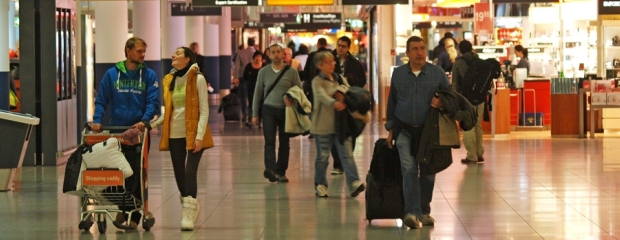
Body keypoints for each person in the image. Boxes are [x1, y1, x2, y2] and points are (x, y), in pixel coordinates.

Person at [91, 37, 160, 229]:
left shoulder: (149, 75)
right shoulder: (112, 75)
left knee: (138, 172)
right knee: (118, 173)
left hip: (139, 133)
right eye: (139, 51)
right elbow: (102, 100)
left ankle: (134, 214)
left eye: (144, 51)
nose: (142, 55)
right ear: (128, 51)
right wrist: (97, 121)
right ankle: (123, 209)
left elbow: (152, 102)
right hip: (117, 132)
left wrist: (144, 120)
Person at [386, 36, 450, 229]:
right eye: (415, 49)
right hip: (404, 129)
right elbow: (392, 103)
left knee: (428, 173)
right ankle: (412, 213)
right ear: (407, 53)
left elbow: (450, 98)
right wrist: (390, 129)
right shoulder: (398, 74)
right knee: (409, 170)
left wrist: (442, 103)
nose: (420, 52)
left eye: (422, 48)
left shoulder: (437, 73)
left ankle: (424, 210)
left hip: (429, 132)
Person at [151, 47, 210, 231]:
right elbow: (169, 111)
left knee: (190, 172)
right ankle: (189, 204)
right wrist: (151, 124)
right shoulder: (170, 79)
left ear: (187, 59)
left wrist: (199, 137)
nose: (173, 55)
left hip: (193, 133)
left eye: (177, 53)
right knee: (179, 174)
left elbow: (204, 110)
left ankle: (188, 214)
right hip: (174, 133)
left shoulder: (198, 79)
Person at [310, 51, 365, 198]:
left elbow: (349, 91)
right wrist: (334, 102)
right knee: (323, 156)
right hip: (322, 126)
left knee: (347, 155)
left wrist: (343, 95)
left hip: (341, 125)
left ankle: (354, 183)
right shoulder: (317, 81)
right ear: (320, 65)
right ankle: (320, 184)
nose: (332, 64)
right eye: (328, 62)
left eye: (333, 61)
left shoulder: (339, 78)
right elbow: (321, 96)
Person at [252, 44, 302, 183]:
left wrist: (292, 100)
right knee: (269, 140)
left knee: (284, 142)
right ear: (269, 54)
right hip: (268, 109)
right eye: (273, 52)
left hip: (286, 110)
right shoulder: (263, 72)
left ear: (283, 54)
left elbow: (300, 91)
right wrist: (255, 114)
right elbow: (258, 93)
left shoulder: (292, 72)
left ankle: (281, 172)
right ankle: (271, 169)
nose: (276, 54)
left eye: (279, 52)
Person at [329, 36, 367, 175]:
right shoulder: (329, 60)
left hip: (349, 102)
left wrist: (349, 80)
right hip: (333, 101)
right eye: (339, 45)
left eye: (343, 46)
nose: (340, 48)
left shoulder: (355, 64)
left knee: (350, 132)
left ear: (348, 48)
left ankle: (347, 160)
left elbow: (361, 81)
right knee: (335, 132)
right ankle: (338, 164)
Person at [451, 40, 485, 164]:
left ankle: (471, 156)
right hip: (480, 98)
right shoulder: (480, 61)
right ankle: (479, 153)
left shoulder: (458, 63)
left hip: (466, 99)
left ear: (460, 50)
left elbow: (455, 84)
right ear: (471, 49)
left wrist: (456, 101)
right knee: (477, 125)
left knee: (468, 125)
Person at [234, 38, 257, 123]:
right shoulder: (256, 53)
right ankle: (252, 113)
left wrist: (235, 76)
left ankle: (244, 113)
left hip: (243, 76)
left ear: (247, 43)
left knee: (244, 95)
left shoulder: (241, 52)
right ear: (254, 43)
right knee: (253, 95)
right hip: (254, 77)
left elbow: (237, 66)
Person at [242, 51, 264, 128]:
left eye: (260, 56)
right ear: (254, 57)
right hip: (251, 88)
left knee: (261, 104)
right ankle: (250, 120)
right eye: (257, 56)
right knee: (251, 103)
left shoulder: (264, 66)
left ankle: (260, 121)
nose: (258, 58)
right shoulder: (249, 66)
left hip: (261, 88)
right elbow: (245, 76)